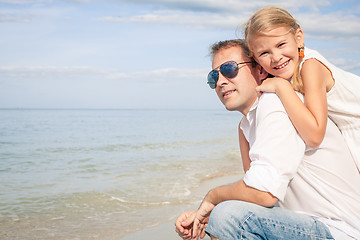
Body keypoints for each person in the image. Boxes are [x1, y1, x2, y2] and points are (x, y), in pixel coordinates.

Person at [174, 39, 360, 240]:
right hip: (306, 224)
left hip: (338, 230)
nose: (220, 82)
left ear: (261, 71)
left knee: (229, 217)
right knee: (223, 216)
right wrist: (205, 214)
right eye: (214, 76)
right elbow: (255, 197)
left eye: (229, 69)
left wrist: (213, 197)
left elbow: (264, 193)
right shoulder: (246, 126)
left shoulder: (275, 103)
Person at [244, 6, 360, 171]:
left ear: (298, 38)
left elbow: (315, 137)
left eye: (281, 44)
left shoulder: (310, 66)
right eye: (264, 53)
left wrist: (280, 86)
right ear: (255, 58)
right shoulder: (291, 70)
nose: (276, 58)